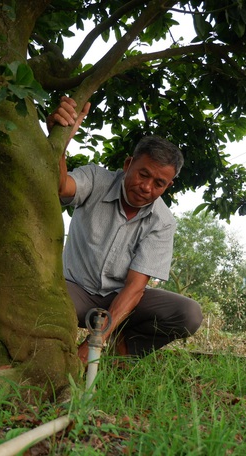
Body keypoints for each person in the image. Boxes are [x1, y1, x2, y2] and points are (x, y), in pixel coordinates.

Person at [48, 96, 202, 363]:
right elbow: (62, 187)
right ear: (128, 164)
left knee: (188, 313)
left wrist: (93, 343)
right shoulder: (96, 180)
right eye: (143, 174)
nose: (147, 187)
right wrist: (61, 142)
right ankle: (48, 355)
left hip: (123, 300)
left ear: (168, 186)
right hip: (74, 291)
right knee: (41, 294)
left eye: (159, 183)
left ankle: (122, 349)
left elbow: (134, 288)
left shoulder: (163, 221)